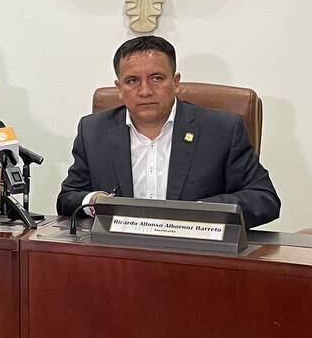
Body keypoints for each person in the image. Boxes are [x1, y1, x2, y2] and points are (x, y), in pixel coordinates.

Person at [57, 35, 280, 227]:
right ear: (120, 89)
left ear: (175, 82)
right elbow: (67, 198)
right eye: (132, 81)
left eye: (156, 78)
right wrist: (94, 200)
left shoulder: (221, 130)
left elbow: (263, 198)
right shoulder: (93, 131)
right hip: (119, 254)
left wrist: (202, 212)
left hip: (196, 252)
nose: (145, 91)